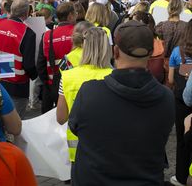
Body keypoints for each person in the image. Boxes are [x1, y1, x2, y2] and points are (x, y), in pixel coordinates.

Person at [69, 20, 175, 186]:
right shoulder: (166, 98)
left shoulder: (89, 92)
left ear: (115, 52)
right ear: (151, 53)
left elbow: (74, 127)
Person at [56, 27, 112, 164]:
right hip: (109, 149)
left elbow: (61, 118)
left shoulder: (68, 77)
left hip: (78, 151)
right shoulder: (115, 76)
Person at [0, 0, 37, 119]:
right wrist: (36, 75)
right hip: (17, 86)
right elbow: (29, 65)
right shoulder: (27, 33)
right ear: (26, 13)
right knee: (15, 125)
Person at [37, 2, 76, 114]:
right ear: (70, 16)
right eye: (75, 13)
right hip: (74, 85)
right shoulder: (79, 33)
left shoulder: (47, 35)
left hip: (52, 84)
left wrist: (47, 83)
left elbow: (41, 64)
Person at [168, 19, 192, 186]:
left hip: (183, 102)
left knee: (183, 140)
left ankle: (181, 176)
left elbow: (170, 79)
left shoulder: (178, 52)